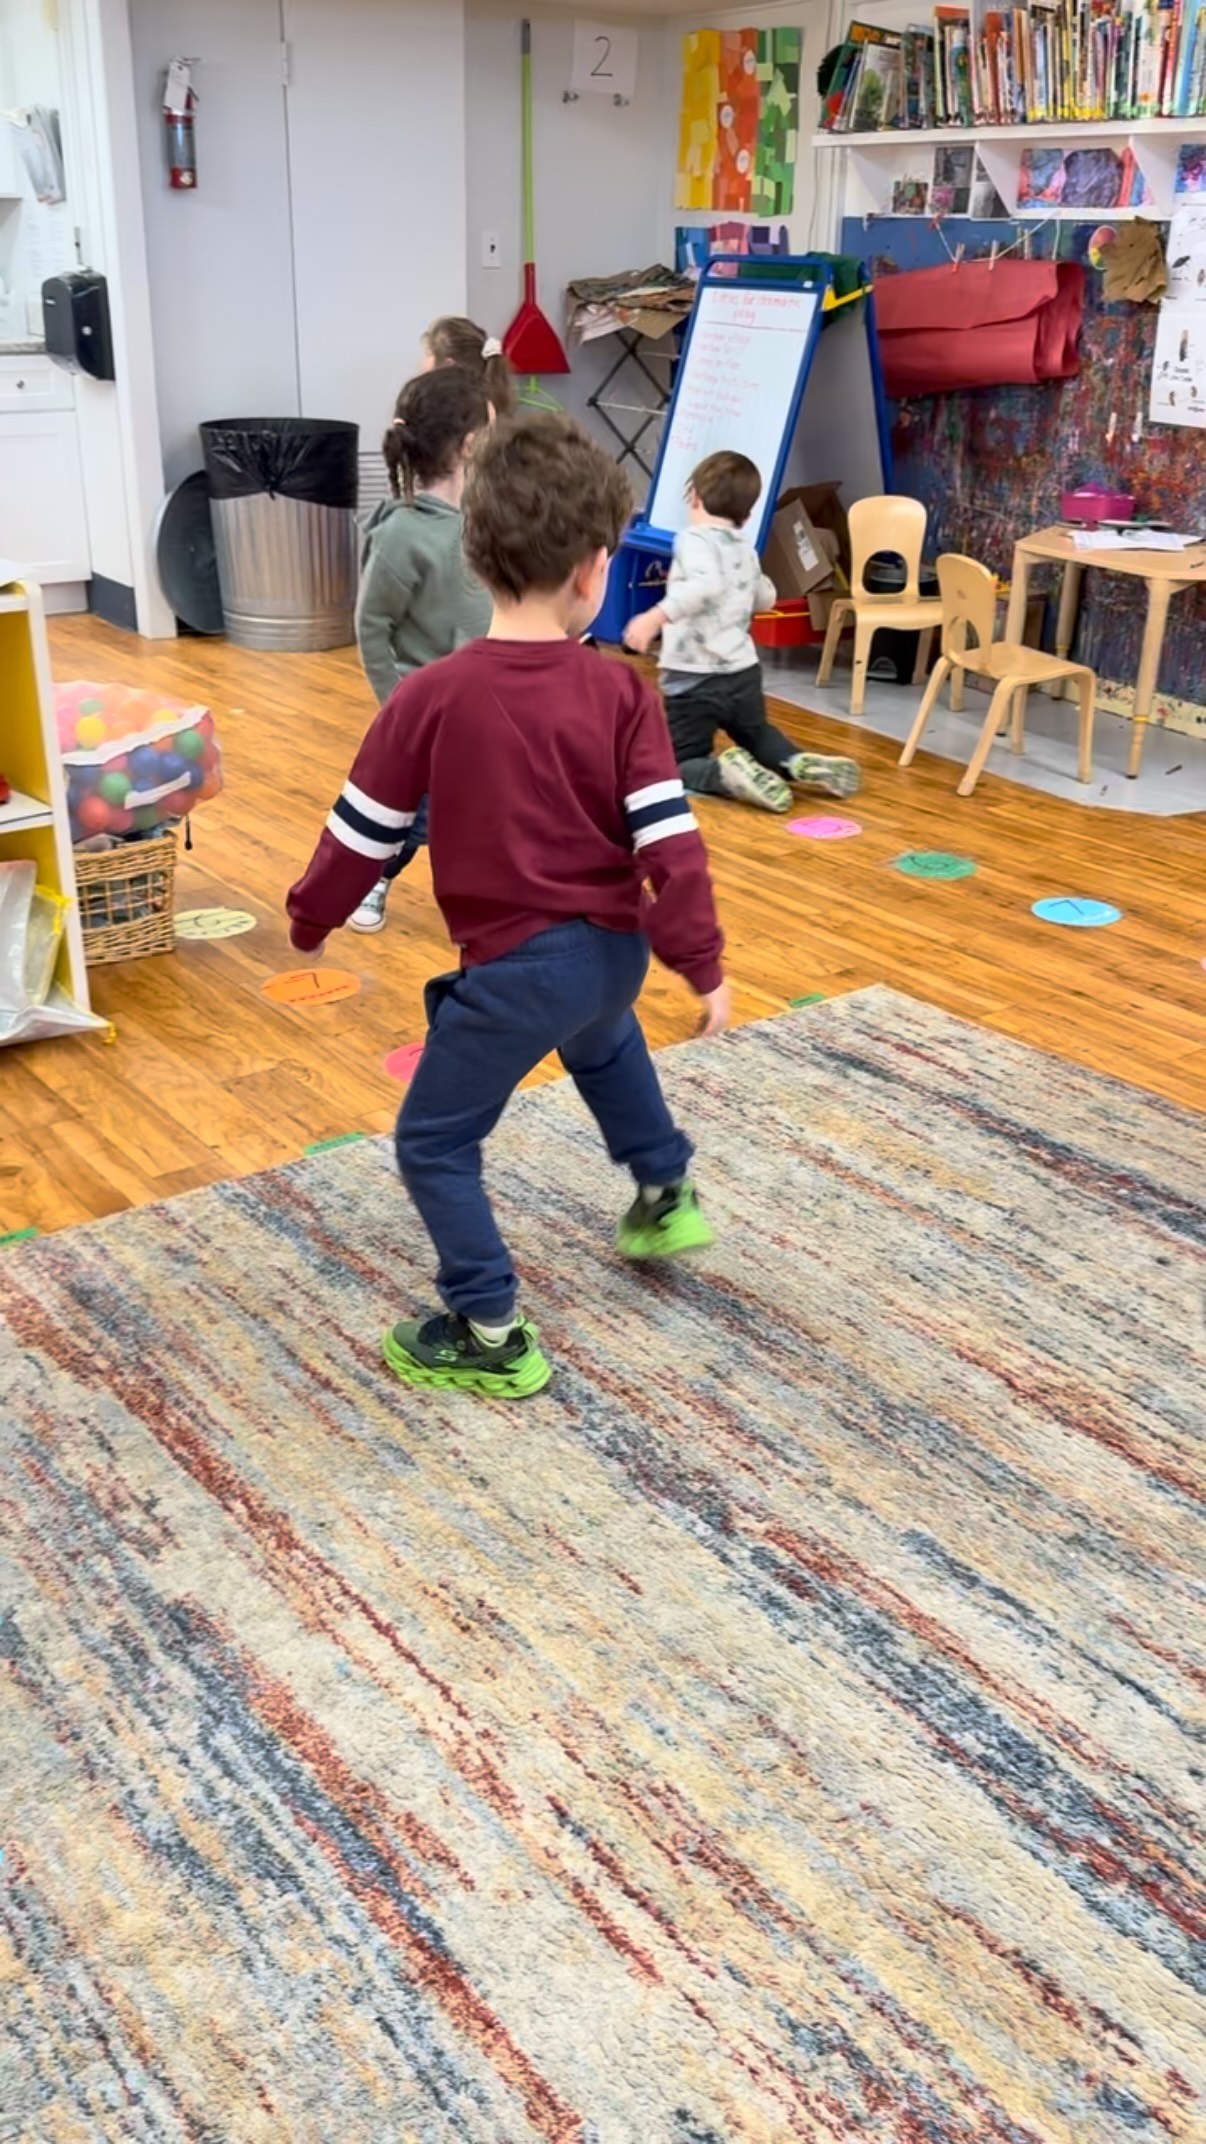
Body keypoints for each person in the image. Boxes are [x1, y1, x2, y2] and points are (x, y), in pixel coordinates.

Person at [288, 414, 729, 1402]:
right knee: (603, 1040)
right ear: (595, 571)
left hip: (521, 970)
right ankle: (665, 1188)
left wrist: (311, 918)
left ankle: (486, 1325)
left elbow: (362, 833)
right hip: (613, 955)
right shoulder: (624, 695)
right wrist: (701, 962)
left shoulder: (428, 696)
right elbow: (671, 844)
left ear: (474, 555)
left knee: (434, 1140)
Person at [623, 450, 860, 812]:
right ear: (747, 515)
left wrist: (654, 617)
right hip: (742, 673)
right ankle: (794, 762)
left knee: (681, 761)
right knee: (757, 733)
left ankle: (724, 775)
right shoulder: (743, 546)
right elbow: (765, 597)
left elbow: (704, 585)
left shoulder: (693, 539)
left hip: (692, 678)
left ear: (694, 497)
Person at [351, 366, 492, 933]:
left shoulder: (480, 517)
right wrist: (399, 706)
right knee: (418, 816)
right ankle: (371, 876)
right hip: (431, 716)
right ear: (469, 444)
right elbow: (371, 626)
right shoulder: (402, 534)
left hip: (486, 705)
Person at [421, 315, 516, 418]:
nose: (422, 363)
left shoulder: (445, 415)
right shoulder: (487, 407)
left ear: (448, 365)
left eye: (428, 354)